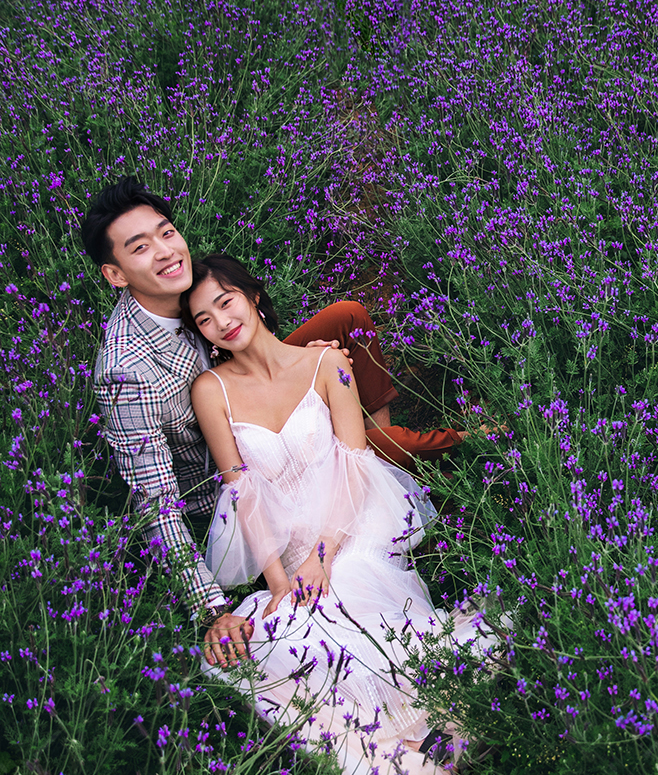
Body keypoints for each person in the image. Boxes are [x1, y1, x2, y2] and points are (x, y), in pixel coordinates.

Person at [182, 253, 512, 775]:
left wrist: (326, 554)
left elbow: (357, 464)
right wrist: (280, 579)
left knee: (366, 641)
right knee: (291, 651)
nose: (221, 322)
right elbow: (242, 491)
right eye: (205, 319)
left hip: (352, 537)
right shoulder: (211, 391)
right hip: (286, 556)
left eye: (228, 302)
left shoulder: (325, 363)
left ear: (255, 296)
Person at [80, 175, 465, 654]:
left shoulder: (183, 285)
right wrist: (212, 609)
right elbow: (156, 500)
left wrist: (306, 369)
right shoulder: (126, 374)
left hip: (250, 382)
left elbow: (239, 332)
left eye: (166, 232)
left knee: (345, 319)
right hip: (245, 457)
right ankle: (457, 443)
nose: (165, 252)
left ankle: (364, 435)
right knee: (378, 449)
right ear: (116, 274)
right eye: (140, 248)